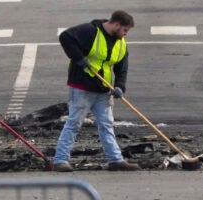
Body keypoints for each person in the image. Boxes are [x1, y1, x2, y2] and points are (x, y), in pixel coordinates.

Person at [54, 10, 141, 172]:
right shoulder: (90, 31)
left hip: (104, 89)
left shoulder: (120, 43)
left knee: (106, 124)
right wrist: (79, 58)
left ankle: (115, 160)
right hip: (82, 87)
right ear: (116, 24)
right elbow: (65, 37)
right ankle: (60, 160)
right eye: (125, 30)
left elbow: (122, 68)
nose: (125, 34)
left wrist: (120, 87)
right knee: (74, 123)